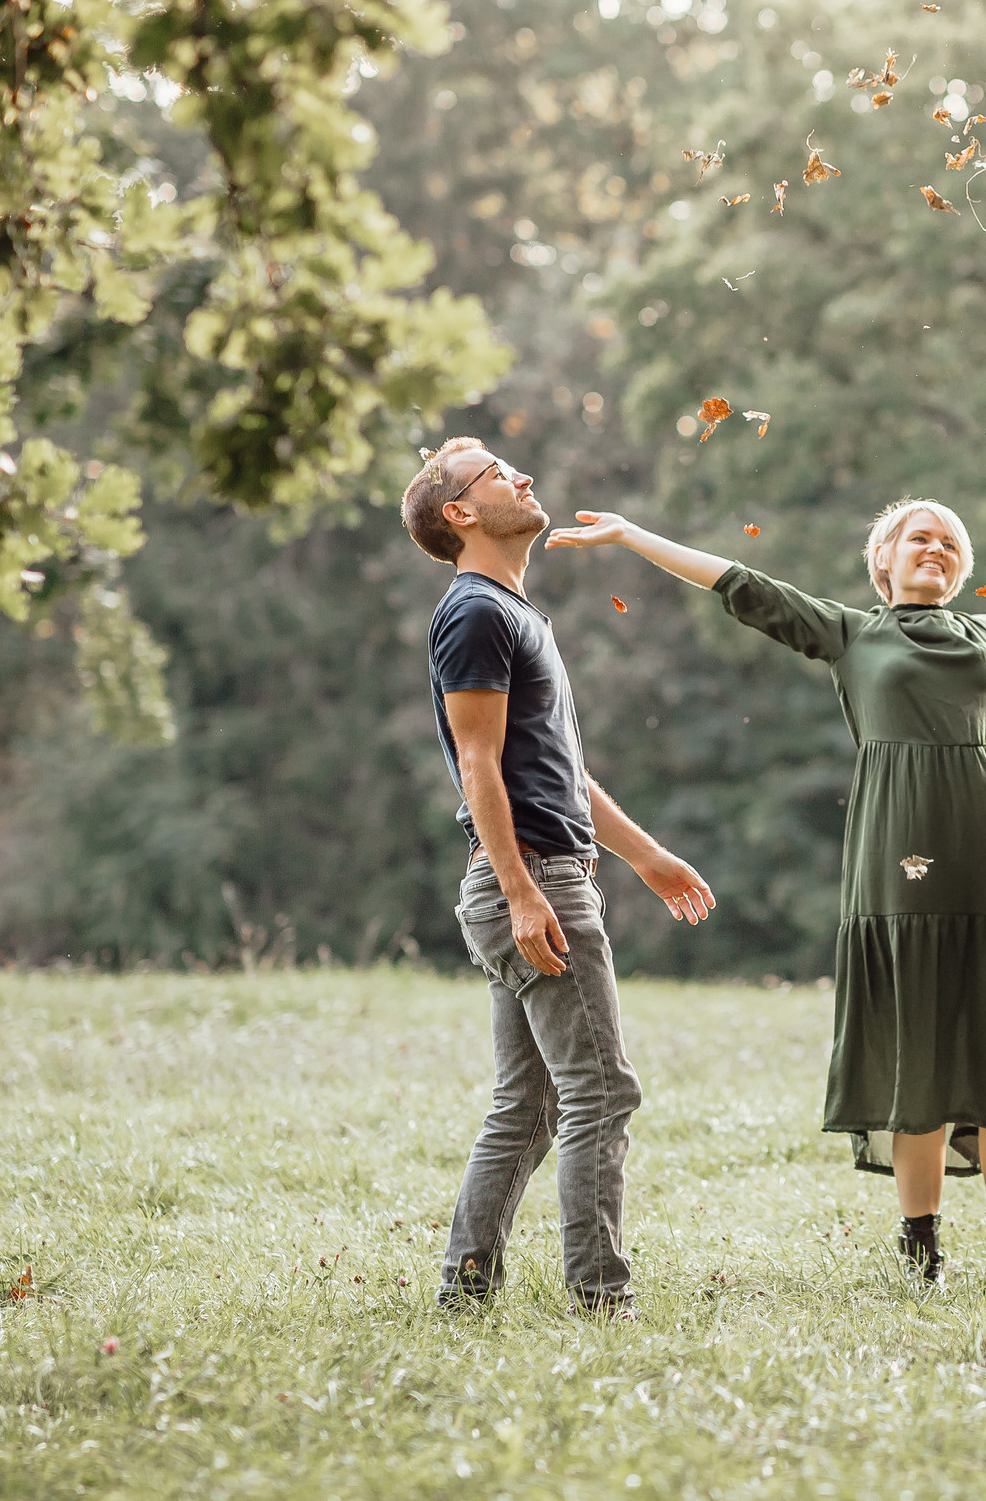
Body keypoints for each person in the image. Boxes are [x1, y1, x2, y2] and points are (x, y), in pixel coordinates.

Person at [546, 496, 986, 1282]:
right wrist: (631, 535)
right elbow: (739, 581)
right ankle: (921, 1250)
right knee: (914, 1052)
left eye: (950, 542)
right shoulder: (850, 633)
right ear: (884, 561)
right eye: (919, 538)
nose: (937, 548)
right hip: (895, 858)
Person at [400, 437, 717, 1317]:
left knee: (530, 1104)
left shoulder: (515, 613)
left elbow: (560, 771)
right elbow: (478, 762)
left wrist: (645, 855)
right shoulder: (474, 613)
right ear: (460, 513)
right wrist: (522, 888)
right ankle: (600, 1298)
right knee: (601, 1090)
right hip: (531, 878)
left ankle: (467, 1292)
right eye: (498, 474)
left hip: (544, 869)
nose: (524, 476)